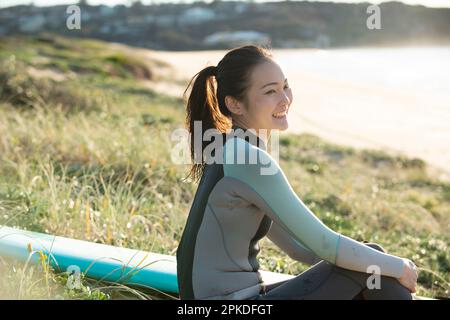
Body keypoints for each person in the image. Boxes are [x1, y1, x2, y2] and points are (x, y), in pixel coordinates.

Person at [176, 45, 418, 300]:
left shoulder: (231, 149)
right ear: (235, 104)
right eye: (270, 91)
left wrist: (369, 259)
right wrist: (398, 266)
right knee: (378, 269)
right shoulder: (247, 158)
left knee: (373, 263)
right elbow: (323, 245)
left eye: (285, 86)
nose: (285, 99)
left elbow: (301, 249)